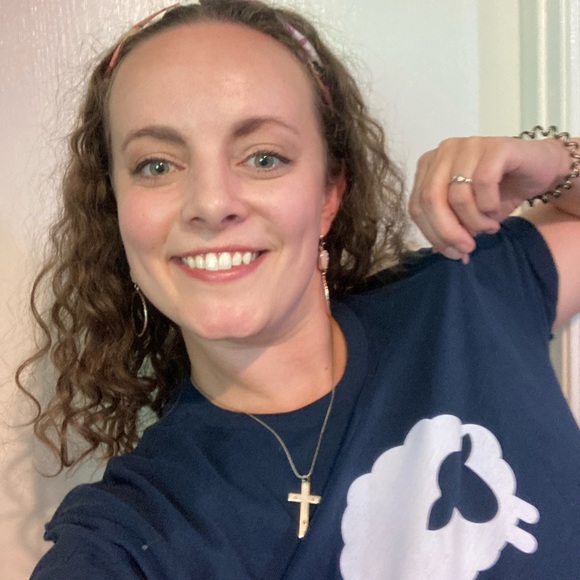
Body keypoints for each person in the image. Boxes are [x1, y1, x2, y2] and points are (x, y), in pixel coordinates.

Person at [18, 1, 579, 578]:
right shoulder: (128, 536)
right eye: (157, 166)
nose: (211, 203)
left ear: (330, 192)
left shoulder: (465, 296)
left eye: (264, 157)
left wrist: (553, 160)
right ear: (116, 207)